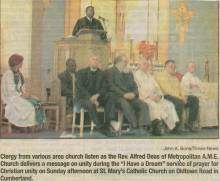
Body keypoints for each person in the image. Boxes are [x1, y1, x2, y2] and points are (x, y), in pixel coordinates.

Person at [106, 54, 151, 135]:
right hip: (117, 97)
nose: (127, 64)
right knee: (126, 104)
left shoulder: (128, 72)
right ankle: (134, 127)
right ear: (118, 62)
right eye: (125, 62)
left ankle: (142, 127)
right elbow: (111, 86)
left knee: (143, 105)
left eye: (126, 62)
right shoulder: (110, 71)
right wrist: (123, 94)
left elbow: (135, 86)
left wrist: (134, 93)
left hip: (130, 96)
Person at [133, 59, 179, 134]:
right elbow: (138, 89)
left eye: (147, 64)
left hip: (155, 97)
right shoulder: (136, 75)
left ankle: (172, 128)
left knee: (169, 105)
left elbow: (157, 87)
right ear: (139, 66)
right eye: (144, 64)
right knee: (155, 106)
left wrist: (159, 96)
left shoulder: (150, 75)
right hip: (145, 98)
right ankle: (156, 127)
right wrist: (150, 97)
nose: (146, 66)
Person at [1, 54, 46, 128]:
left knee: (37, 101)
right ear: (16, 63)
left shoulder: (18, 74)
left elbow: (21, 87)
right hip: (10, 98)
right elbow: (10, 91)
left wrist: (24, 94)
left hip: (17, 95)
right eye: (21, 62)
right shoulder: (8, 74)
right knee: (29, 106)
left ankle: (36, 124)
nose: (22, 64)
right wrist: (21, 95)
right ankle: (25, 125)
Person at [75, 54, 116, 135]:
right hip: (84, 99)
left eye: (97, 59)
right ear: (89, 61)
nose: (95, 61)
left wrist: (97, 96)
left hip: (98, 98)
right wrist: (91, 98)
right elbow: (80, 88)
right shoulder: (81, 72)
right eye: (93, 59)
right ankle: (101, 128)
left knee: (111, 95)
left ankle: (107, 124)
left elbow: (105, 87)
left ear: (98, 62)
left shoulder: (102, 74)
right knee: (90, 104)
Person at [156, 60, 199, 132]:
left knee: (194, 100)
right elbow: (167, 90)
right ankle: (176, 127)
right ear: (165, 67)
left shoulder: (174, 77)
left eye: (174, 66)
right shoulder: (161, 75)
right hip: (167, 96)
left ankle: (190, 123)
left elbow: (181, 89)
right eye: (171, 66)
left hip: (178, 97)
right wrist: (181, 98)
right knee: (179, 102)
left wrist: (184, 96)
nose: (173, 68)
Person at [181, 63, 218, 127]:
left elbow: (201, 86)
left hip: (199, 94)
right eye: (192, 66)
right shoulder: (185, 77)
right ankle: (202, 124)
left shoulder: (196, 77)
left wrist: (200, 89)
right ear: (188, 68)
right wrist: (195, 86)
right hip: (191, 95)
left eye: (194, 67)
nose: (193, 68)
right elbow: (186, 87)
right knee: (202, 103)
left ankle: (211, 124)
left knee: (211, 102)